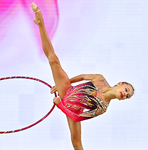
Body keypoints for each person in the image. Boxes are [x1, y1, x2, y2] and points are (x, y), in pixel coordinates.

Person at [31, 3, 134, 150]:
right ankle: (40, 22)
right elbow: (82, 77)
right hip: (67, 89)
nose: (125, 94)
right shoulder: (100, 79)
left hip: (72, 110)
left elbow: (78, 117)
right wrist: (62, 82)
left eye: (127, 96)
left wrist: (60, 104)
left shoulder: (103, 107)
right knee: (54, 60)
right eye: (126, 89)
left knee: (77, 145)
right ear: (119, 84)